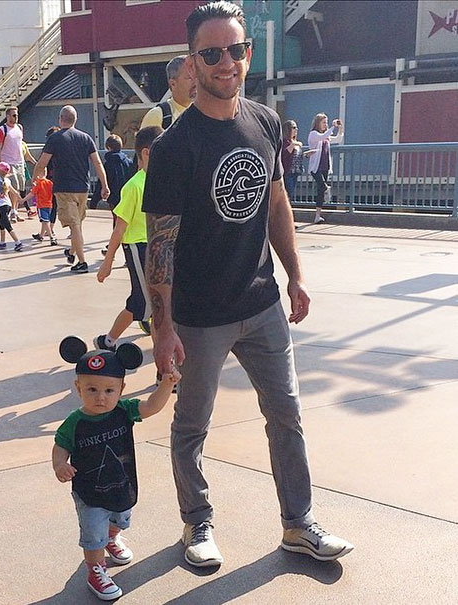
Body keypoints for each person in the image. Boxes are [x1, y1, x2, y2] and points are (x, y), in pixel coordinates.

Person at [142, 0, 354, 568]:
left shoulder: (264, 122)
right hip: (199, 317)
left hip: (261, 304)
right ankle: (196, 522)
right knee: (192, 425)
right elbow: (160, 246)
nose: (225, 62)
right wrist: (163, 329)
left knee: (287, 415)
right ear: (192, 62)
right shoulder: (173, 148)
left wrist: (295, 274)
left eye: (234, 50)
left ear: (248, 52)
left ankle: (298, 524)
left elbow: (277, 202)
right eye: (211, 53)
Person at [54, 336, 180, 601]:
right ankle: (95, 569)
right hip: (89, 492)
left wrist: (166, 384)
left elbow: (151, 407)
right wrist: (60, 464)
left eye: (109, 391)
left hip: (122, 483)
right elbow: (61, 444)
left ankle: (112, 539)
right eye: (92, 390)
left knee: (121, 517)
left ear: (121, 389)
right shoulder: (75, 421)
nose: (101, 397)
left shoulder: (124, 410)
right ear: (78, 387)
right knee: (93, 533)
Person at [94, 126, 163, 354]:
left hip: (158, 247)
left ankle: (110, 340)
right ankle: (109, 342)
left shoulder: (162, 181)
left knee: (150, 302)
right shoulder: (134, 186)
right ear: (147, 153)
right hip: (137, 247)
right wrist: (108, 262)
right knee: (147, 304)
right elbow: (119, 228)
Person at [32, 105, 110, 274]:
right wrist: (104, 185)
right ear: (75, 119)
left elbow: (42, 163)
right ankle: (72, 252)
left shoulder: (55, 139)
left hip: (64, 188)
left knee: (74, 225)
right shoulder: (86, 138)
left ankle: (82, 262)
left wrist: (34, 179)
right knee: (77, 224)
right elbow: (97, 163)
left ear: (60, 119)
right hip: (83, 188)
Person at [96, 134, 133, 255]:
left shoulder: (108, 163)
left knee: (117, 223)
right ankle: (115, 247)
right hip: (127, 196)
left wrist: (95, 200)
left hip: (114, 198)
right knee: (126, 223)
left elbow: (103, 180)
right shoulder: (128, 161)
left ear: (108, 147)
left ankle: (113, 248)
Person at [140, 55, 196, 130]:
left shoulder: (204, 114)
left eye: (197, 77)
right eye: (190, 78)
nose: (196, 83)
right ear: (173, 84)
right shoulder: (157, 116)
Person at [307, 113, 344, 224]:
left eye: (326, 122)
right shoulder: (313, 134)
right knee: (323, 186)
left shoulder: (326, 136)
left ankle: (317, 216)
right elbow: (322, 137)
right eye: (323, 122)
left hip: (325, 166)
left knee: (320, 191)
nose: (325, 124)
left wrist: (340, 128)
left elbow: (338, 139)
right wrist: (332, 127)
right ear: (318, 123)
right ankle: (327, 189)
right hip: (316, 167)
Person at [0, 106, 26, 223]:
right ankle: (12, 211)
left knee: (19, 188)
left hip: (19, 162)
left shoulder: (19, 128)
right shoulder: (2, 130)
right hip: (8, 163)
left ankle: (15, 210)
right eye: (13, 115)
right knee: (13, 187)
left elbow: (20, 144)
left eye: (17, 115)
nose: (16, 117)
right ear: (8, 116)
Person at [22, 176, 56, 246]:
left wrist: (23, 200)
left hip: (41, 205)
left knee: (45, 221)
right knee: (45, 221)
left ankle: (51, 237)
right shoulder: (50, 183)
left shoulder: (39, 183)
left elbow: (32, 194)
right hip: (49, 204)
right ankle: (41, 236)